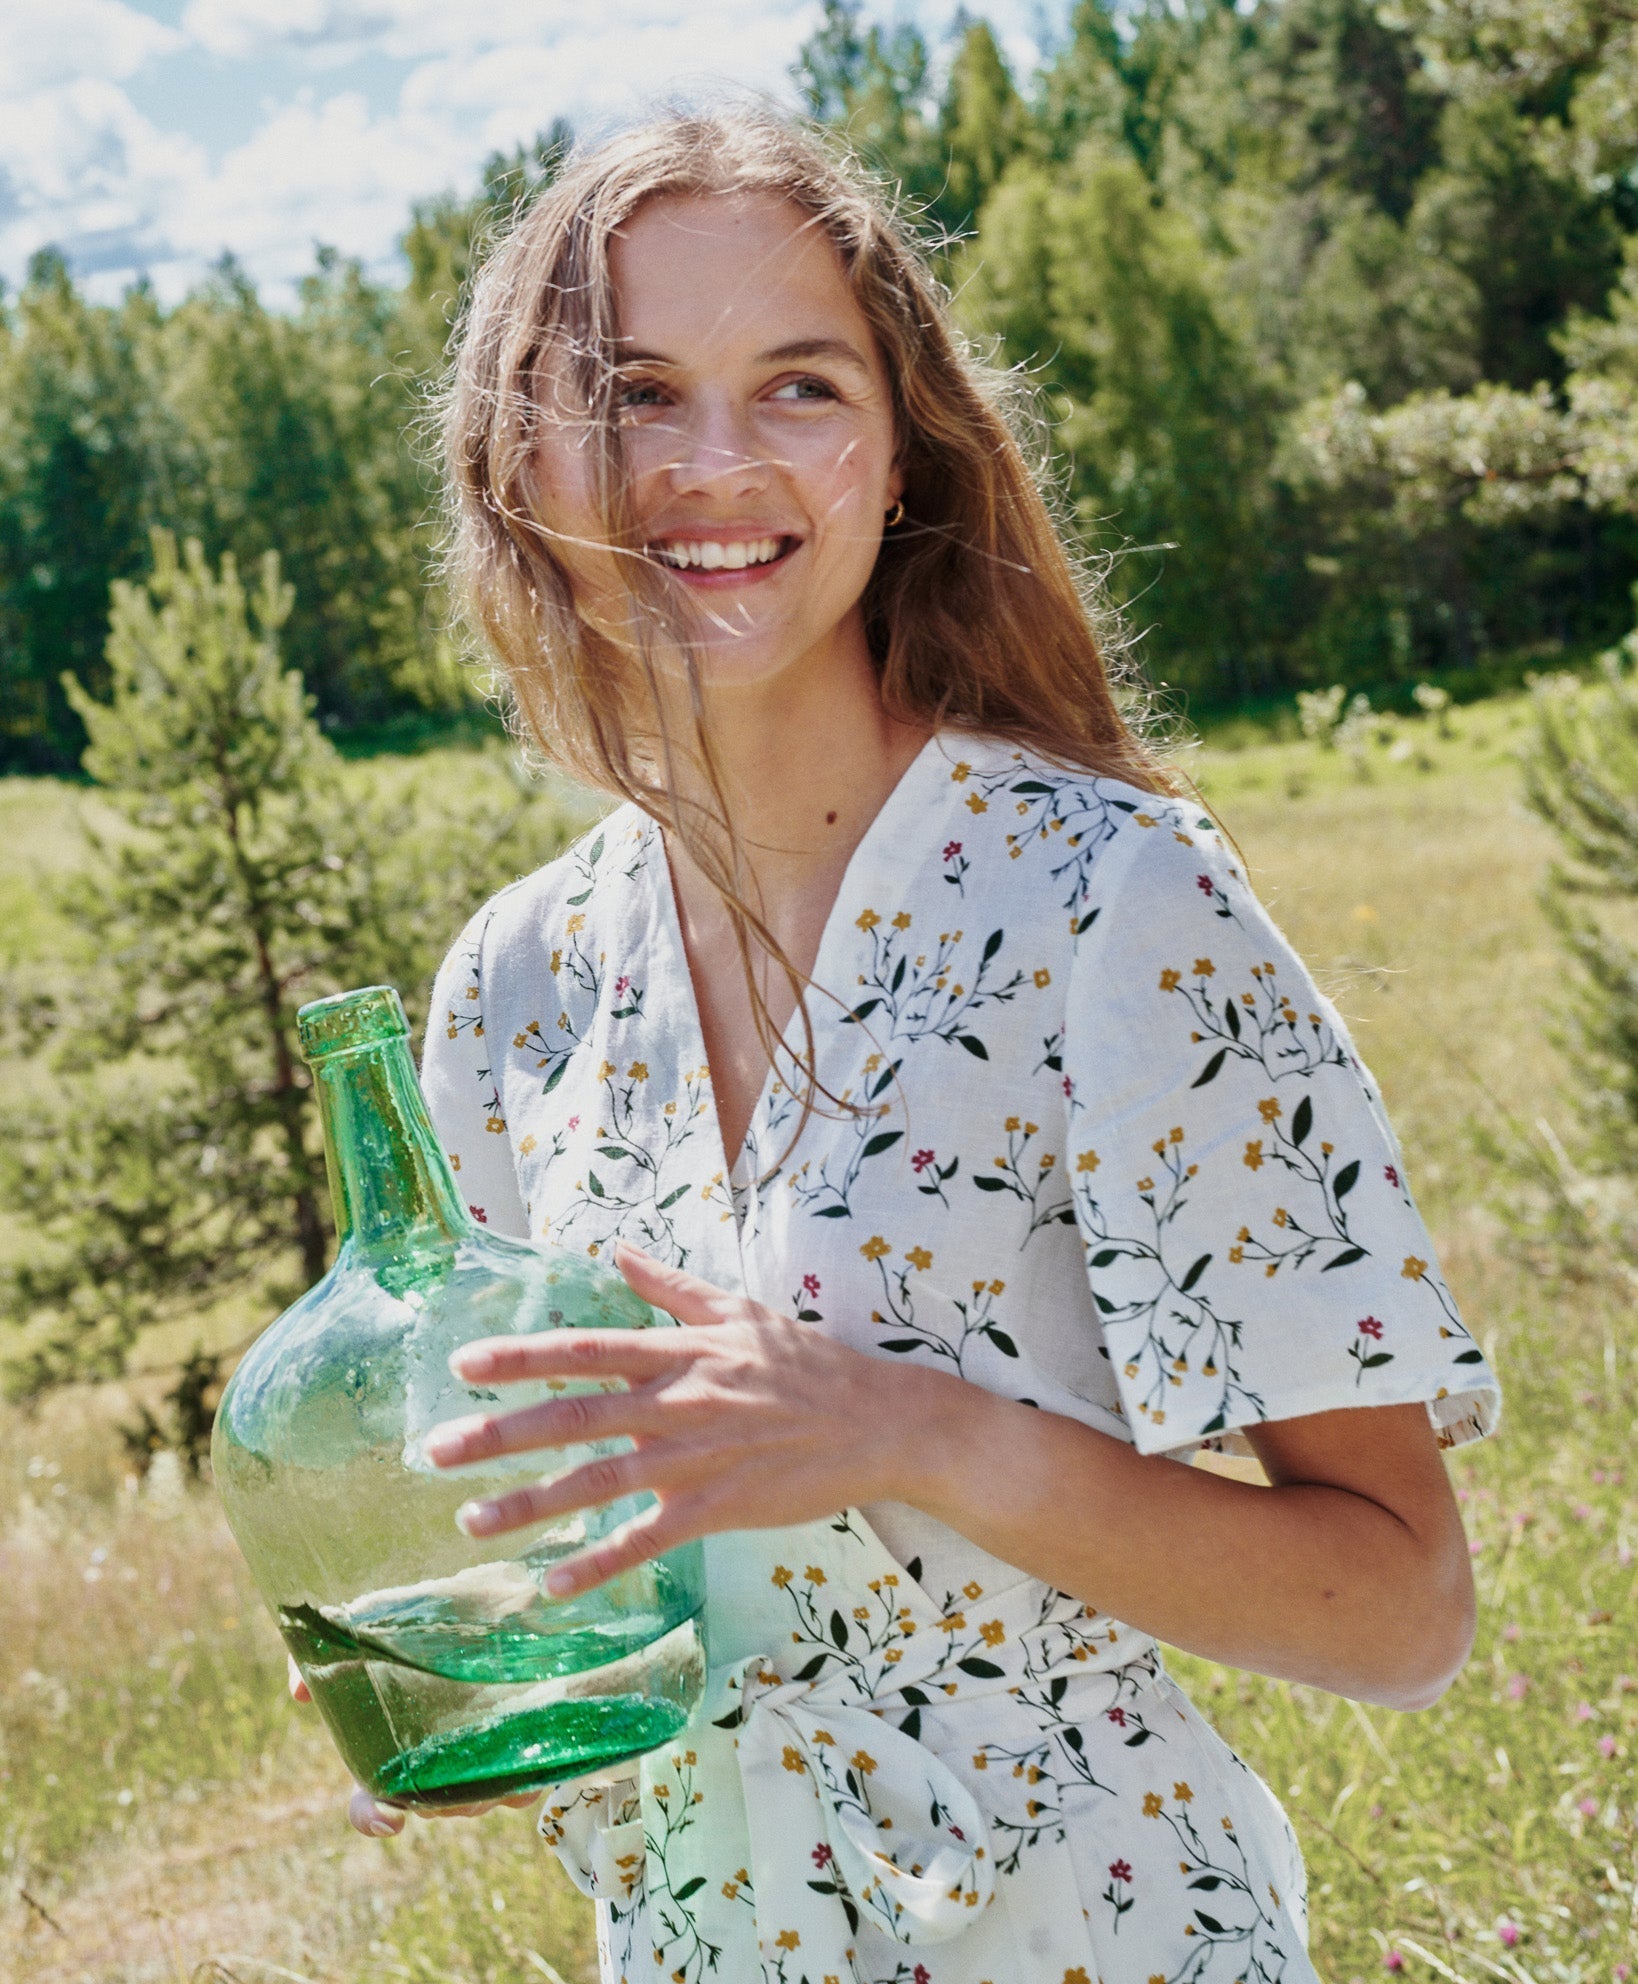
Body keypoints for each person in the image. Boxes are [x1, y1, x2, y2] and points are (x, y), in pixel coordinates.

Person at [329, 110, 1500, 1980]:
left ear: (898, 458)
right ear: (514, 457)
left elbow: (1401, 1609)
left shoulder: (1109, 904)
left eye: (798, 386)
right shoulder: (512, 987)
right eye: (634, 391)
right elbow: (592, 1545)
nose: (715, 464)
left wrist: (914, 1432)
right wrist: (468, 1655)